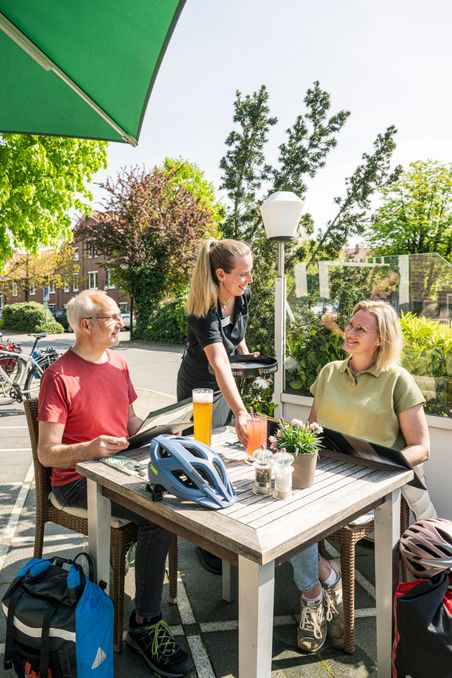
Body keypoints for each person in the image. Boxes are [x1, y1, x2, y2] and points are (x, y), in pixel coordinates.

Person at [37, 290, 193, 678]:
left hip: (119, 469)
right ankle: (144, 622)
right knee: (158, 515)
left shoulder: (119, 364)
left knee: (180, 490)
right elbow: (47, 453)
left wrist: (164, 430)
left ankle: (140, 578)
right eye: (112, 317)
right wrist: (90, 448)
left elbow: (131, 423)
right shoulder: (59, 377)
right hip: (77, 480)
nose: (121, 322)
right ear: (86, 326)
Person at [291, 299, 436, 653]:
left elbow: (421, 448)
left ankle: (320, 585)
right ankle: (319, 586)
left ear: (381, 339)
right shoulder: (329, 372)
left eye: (361, 329)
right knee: (283, 502)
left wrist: (380, 465)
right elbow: (313, 431)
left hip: (373, 486)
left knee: (298, 514)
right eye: (350, 325)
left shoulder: (397, 380)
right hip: (328, 476)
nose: (350, 332)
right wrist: (293, 439)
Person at [177, 238, 255, 574]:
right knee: (200, 459)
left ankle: (224, 526)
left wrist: (246, 356)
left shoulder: (242, 296)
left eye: (250, 273)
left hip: (224, 385)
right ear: (221, 274)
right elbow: (219, 362)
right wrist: (241, 411)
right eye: (243, 274)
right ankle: (204, 540)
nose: (248, 280)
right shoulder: (202, 310)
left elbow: (236, 336)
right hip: (198, 389)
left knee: (222, 454)